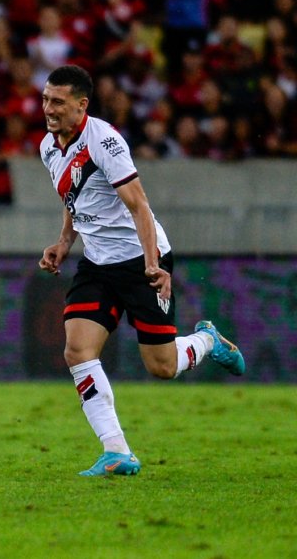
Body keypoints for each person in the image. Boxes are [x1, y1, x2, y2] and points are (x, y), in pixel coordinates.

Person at [37, 65, 246, 477]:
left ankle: (206, 340)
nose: (48, 108)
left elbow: (140, 205)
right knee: (77, 350)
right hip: (97, 264)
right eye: (45, 99)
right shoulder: (48, 146)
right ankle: (116, 451)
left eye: (57, 101)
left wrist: (153, 265)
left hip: (140, 262)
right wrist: (64, 243)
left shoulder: (106, 142)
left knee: (162, 366)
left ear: (82, 105)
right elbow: (74, 197)